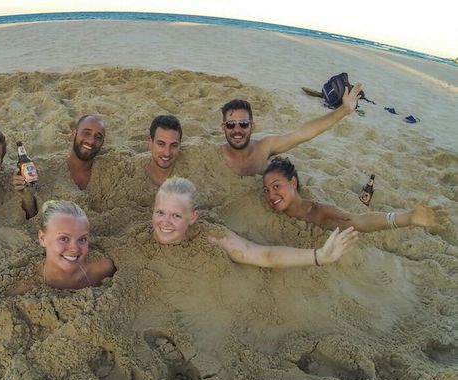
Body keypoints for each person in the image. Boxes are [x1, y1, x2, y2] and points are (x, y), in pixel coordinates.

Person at [153, 177, 359, 268]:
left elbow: (265, 255)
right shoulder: (133, 239)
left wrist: (320, 256)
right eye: (160, 212)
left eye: (176, 215)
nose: (165, 222)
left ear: (193, 218)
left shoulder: (212, 235)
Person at [262, 157, 446, 233]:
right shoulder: (267, 211)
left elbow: (360, 221)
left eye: (276, 186)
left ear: (293, 183)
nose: (271, 194)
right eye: (267, 190)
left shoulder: (319, 212)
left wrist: (407, 218)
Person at [219, 84, 362, 176]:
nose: (237, 130)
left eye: (243, 123)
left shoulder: (264, 148)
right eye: (231, 124)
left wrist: (343, 111)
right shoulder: (215, 154)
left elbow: (303, 133)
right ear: (223, 127)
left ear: (252, 126)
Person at [37, 200, 116, 289]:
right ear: (42, 238)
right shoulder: (29, 285)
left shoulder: (103, 270)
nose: (74, 249)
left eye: (82, 239)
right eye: (64, 239)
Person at [67, 115, 106, 190]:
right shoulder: (49, 171)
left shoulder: (108, 175)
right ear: (74, 134)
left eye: (98, 137)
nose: (91, 141)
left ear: (102, 144)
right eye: (86, 133)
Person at [145, 115, 182, 186]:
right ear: (150, 143)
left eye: (174, 145)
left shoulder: (192, 176)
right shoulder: (130, 177)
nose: (167, 153)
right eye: (161, 144)